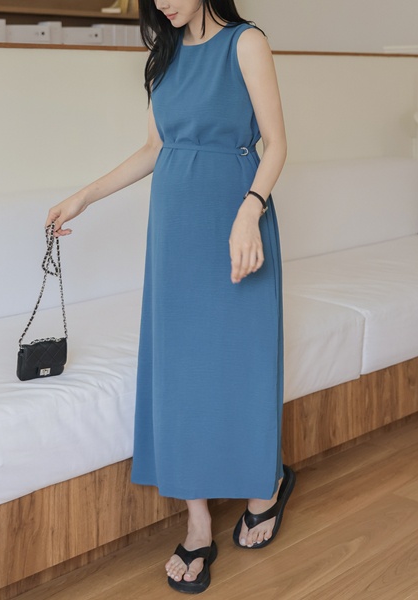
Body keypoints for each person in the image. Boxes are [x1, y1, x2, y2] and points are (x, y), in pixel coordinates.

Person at [46, 0, 294, 594]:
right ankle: (198, 522)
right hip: (175, 228)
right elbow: (155, 148)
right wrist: (84, 197)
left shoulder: (246, 43)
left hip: (236, 216)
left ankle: (266, 485)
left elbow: (277, 144)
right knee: (180, 370)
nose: (161, 3)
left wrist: (250, 213)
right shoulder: (164, 53)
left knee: (243, 360)